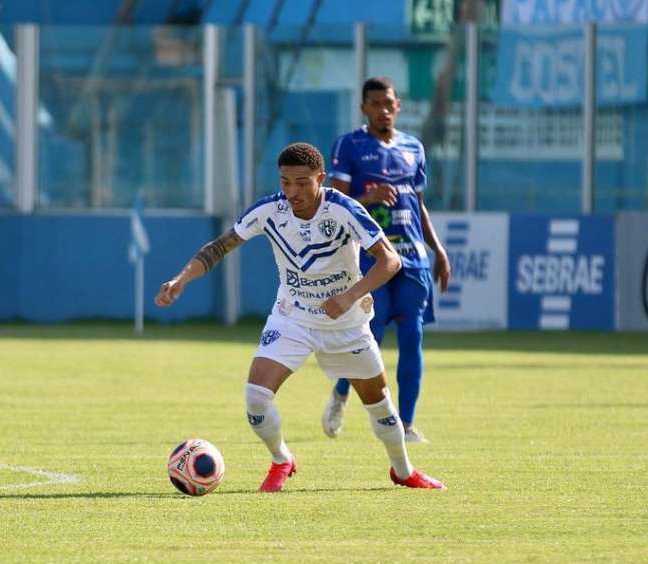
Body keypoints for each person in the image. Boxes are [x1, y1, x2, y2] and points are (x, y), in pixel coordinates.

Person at [155, 142, 445, 492]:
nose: (293, 191)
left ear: (321, 178)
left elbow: (390, 260)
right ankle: (281, 459)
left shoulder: (344, 209)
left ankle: (402, 470)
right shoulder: (269, 211)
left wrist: (349, 296)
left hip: (346, 324)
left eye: (302, 182)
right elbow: (218, 247)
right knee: (256, 396)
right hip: (292, 316)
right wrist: (181, 279)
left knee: (380, 407)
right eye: (285, 182)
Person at [321, 76, 450, 444]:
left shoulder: (413, 148)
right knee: (369, 337)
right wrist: (371, 195)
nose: (384, 110)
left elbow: (418, 204)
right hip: (371, 259)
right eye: (375, 104)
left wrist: (437, 251)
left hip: (412, 259)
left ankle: (406, 425)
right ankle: (342, 391)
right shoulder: (350, 145)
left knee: (413, 336)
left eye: (389, 103)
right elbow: (336, 203)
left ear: (398, 106)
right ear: (364, 107)